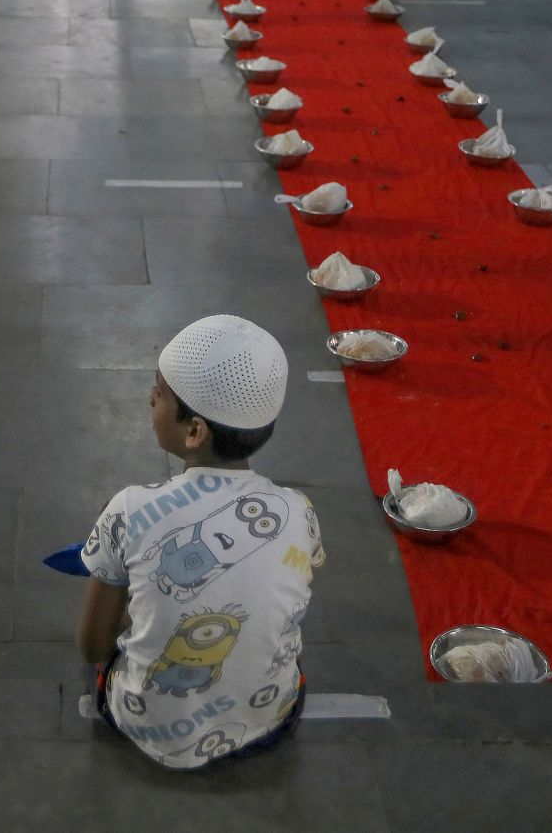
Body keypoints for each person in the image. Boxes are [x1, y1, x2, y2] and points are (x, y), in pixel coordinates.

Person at [77, 314, 324, 770]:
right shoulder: (298, 510)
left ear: (194, 432)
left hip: (144, 725)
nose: (150, 398)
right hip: (269, 723)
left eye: (160, 394)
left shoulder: (129, 508)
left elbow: (93, 647)